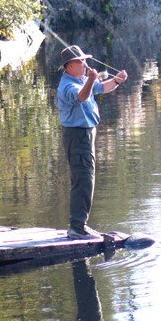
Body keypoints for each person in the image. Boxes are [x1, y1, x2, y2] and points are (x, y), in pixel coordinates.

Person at [56, 45, 128, 240]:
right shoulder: (68, 86)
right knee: (83, 180)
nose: (85, 64)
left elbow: (103, 87)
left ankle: (79, 226)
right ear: (70, 66)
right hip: (77, 136)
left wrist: (117, 81)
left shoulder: (80, 80)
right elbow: (81, 96)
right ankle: (78, 228)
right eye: (82, 62)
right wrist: (90, 79)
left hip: (86, 135)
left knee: (86, 179)